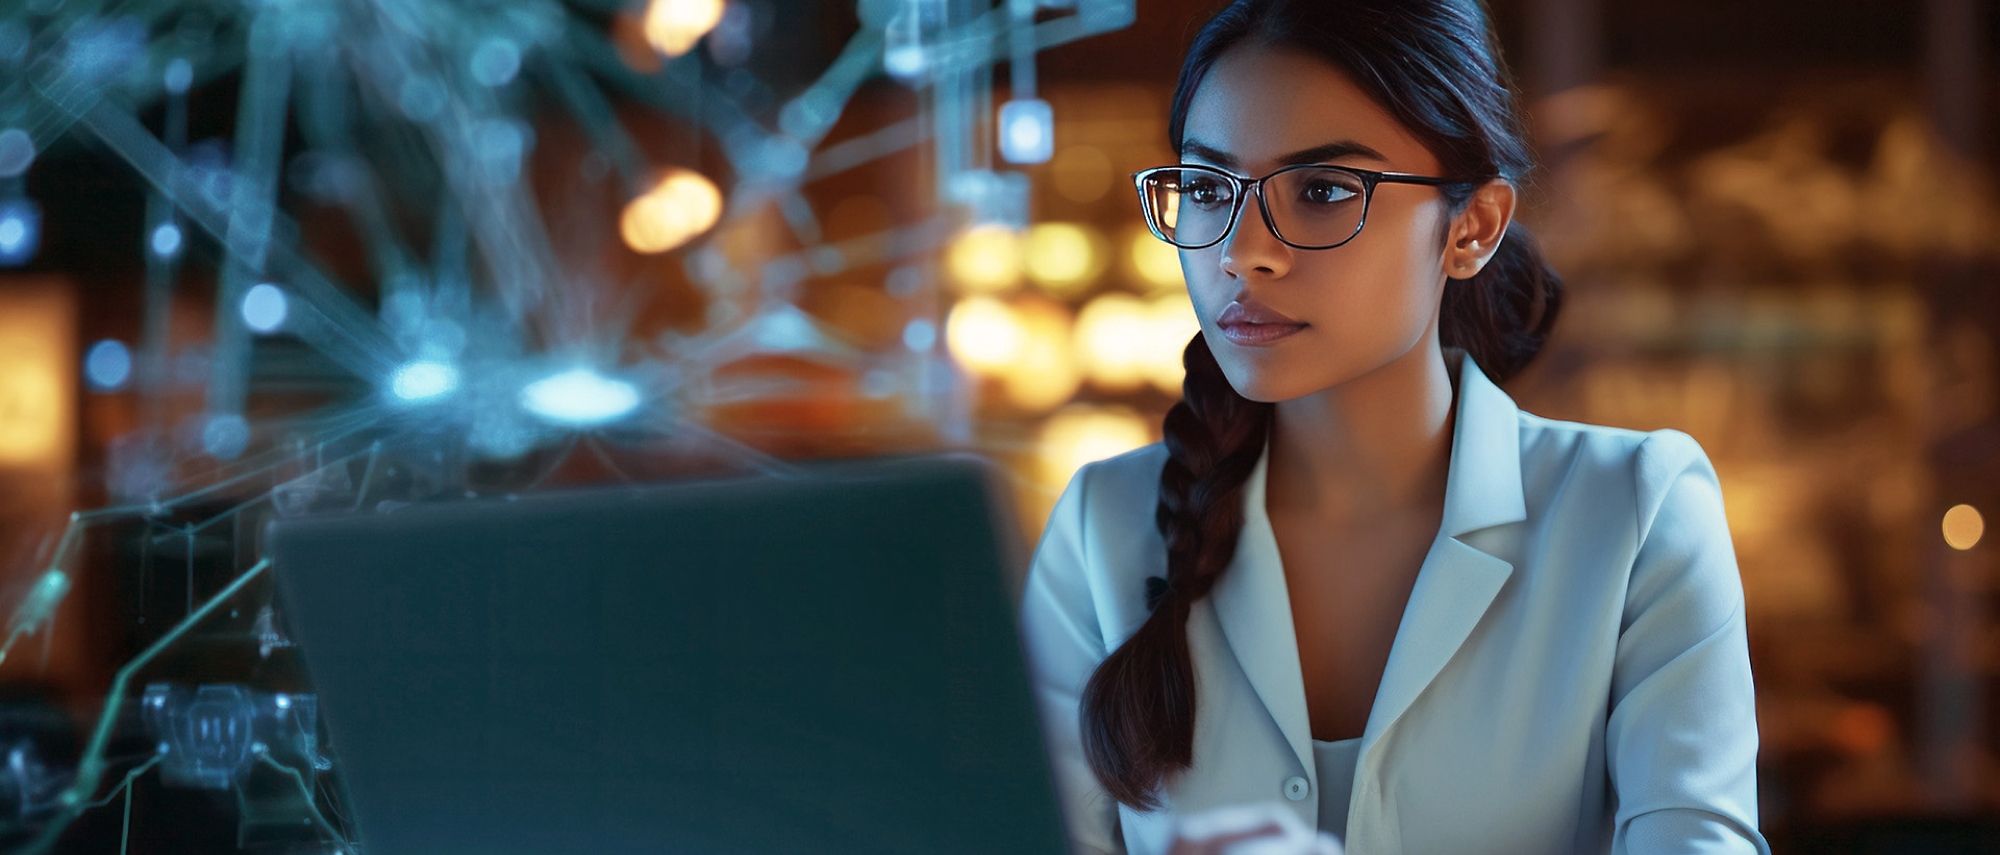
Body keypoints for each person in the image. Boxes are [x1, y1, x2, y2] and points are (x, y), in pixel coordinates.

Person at [1016, 1, 1768, 853]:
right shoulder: (1100, 526)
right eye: (1206, 188)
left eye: (1324, 191)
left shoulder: (1634, 513)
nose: (1242, 252)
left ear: (1472, 227)